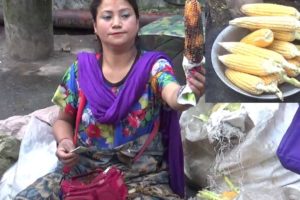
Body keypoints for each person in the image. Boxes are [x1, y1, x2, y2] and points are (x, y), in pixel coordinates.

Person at [15, 0, 205, 199]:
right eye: (107, 17)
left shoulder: (154, 67)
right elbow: (63, 120)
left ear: (137, 22)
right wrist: (64, 142)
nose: (116, 23)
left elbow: (175, 97)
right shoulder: (80, 71)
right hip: (83, 174)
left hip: (139, 179)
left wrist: (190, 92)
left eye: (125, 15)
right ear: (95, 27)